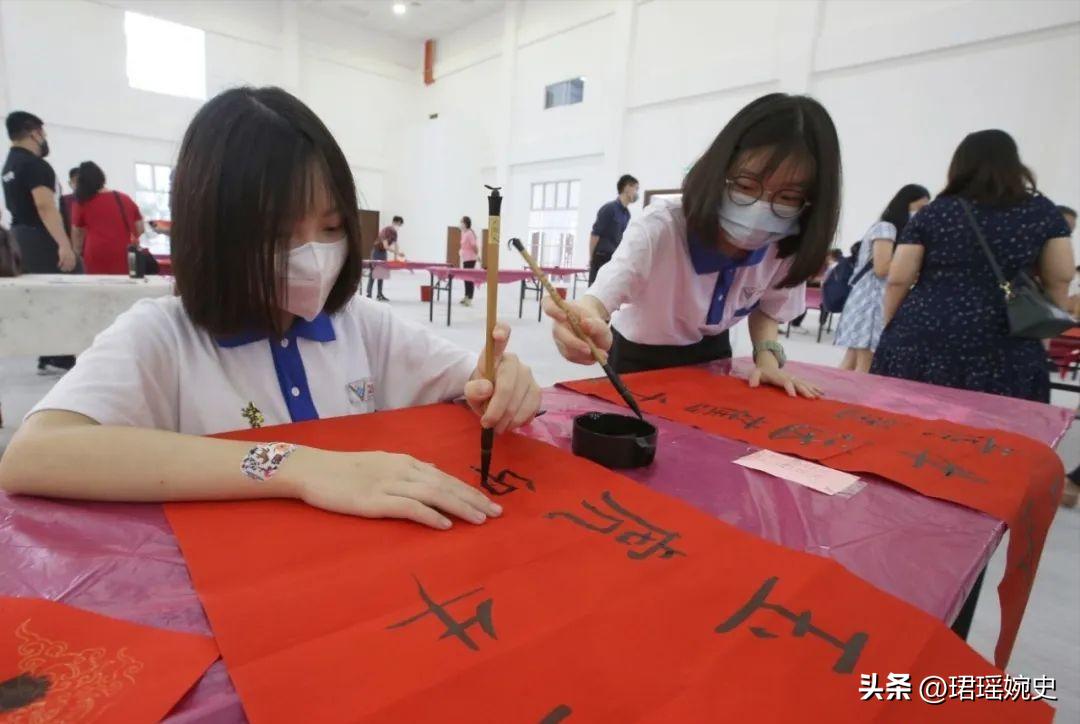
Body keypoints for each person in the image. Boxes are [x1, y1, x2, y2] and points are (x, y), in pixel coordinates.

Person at [0, 87, 541, 532]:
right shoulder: (163, 337)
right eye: (279, 234)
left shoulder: (361, 325)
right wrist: (293, 465)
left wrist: (502, 382)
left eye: (331, 227)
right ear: (213, 232)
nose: (313, 254)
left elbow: (470, 381)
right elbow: (34, 455)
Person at [545, 93, 840, 397]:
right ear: (720, 171)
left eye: (788, 197)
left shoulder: (786, 241)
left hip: (713, 350)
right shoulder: (661, 227)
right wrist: (581, 319)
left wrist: (767, 360)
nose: (760, 209)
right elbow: (603, 294)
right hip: (641, 353)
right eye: (745, 186)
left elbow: (769, 304)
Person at [872, 129, 1072, 403]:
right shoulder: (1042, 211)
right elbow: (1060, 278)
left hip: (924, 330)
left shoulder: (934, 212)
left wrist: (892, 326)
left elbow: (898, 278)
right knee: (996, 421)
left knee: (908, 414)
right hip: (1008, 338)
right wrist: (1043, 334)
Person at [2, 111, 80, 373]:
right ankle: (61, 353)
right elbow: (45, 206)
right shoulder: (35, 165)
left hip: (19, 237)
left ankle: (51, 352)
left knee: (43, 296)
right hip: (40, 236)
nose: (45, 138)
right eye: (43, 133)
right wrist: (64, 245)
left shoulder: (9, 166)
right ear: (34, 133)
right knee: (69, 287)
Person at [835, 184, 930, 372]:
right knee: (866, 363)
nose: (922, 214)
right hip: (872, 301)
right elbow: (881, 268)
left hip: (865, 299)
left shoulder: (887, 228)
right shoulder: (886, 228)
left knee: (851, 361)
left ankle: (832, 390)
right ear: (905, 204)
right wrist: (909, 266)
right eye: (919, 208)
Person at [70, 161, 145, 274]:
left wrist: (76, 255)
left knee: (98, 284)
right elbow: (140, 228)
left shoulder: (81, 202)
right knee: (126, 283)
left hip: (96, 254)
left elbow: (77, 235)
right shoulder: (125, 198)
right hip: (125, 254)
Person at [588, 174, 638, 284]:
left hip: (613, 258)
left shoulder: (627, 214)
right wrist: (592, 258)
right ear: (627, 188)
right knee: (595, 289)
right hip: (601, 257)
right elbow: (595, 234)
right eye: (636, 188)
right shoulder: (609, 209)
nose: (636, 193)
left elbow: (620, 238)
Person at [367, 215, 402, 301]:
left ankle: (379, 294)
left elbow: (395, 244)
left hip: (383, 253)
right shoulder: (386, 230)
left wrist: (396, 258)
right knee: (373, 273)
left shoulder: (394, 233)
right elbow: (386, 246)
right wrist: (397, 253)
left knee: (381, 274)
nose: (399, 226)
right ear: (394, 222)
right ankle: (369, 294)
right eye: (398, 224)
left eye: (400, 225)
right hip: (377, 251)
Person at [459, 215, 478, 307]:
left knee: (469, 278)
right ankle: (466, 296)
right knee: (465, 278)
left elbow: (474, 245)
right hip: (465, 258)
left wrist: (477, 255)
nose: (460, 224)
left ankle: (470, 298)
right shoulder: (464, 233)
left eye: (462, 222)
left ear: (466, 223)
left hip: (470, 259)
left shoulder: (470, 233)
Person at [60, 166, 78, 237]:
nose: (78, 183)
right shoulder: (64, 200)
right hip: (70, 239)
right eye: (75, 180)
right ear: (70, 183)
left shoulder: (94, 199)